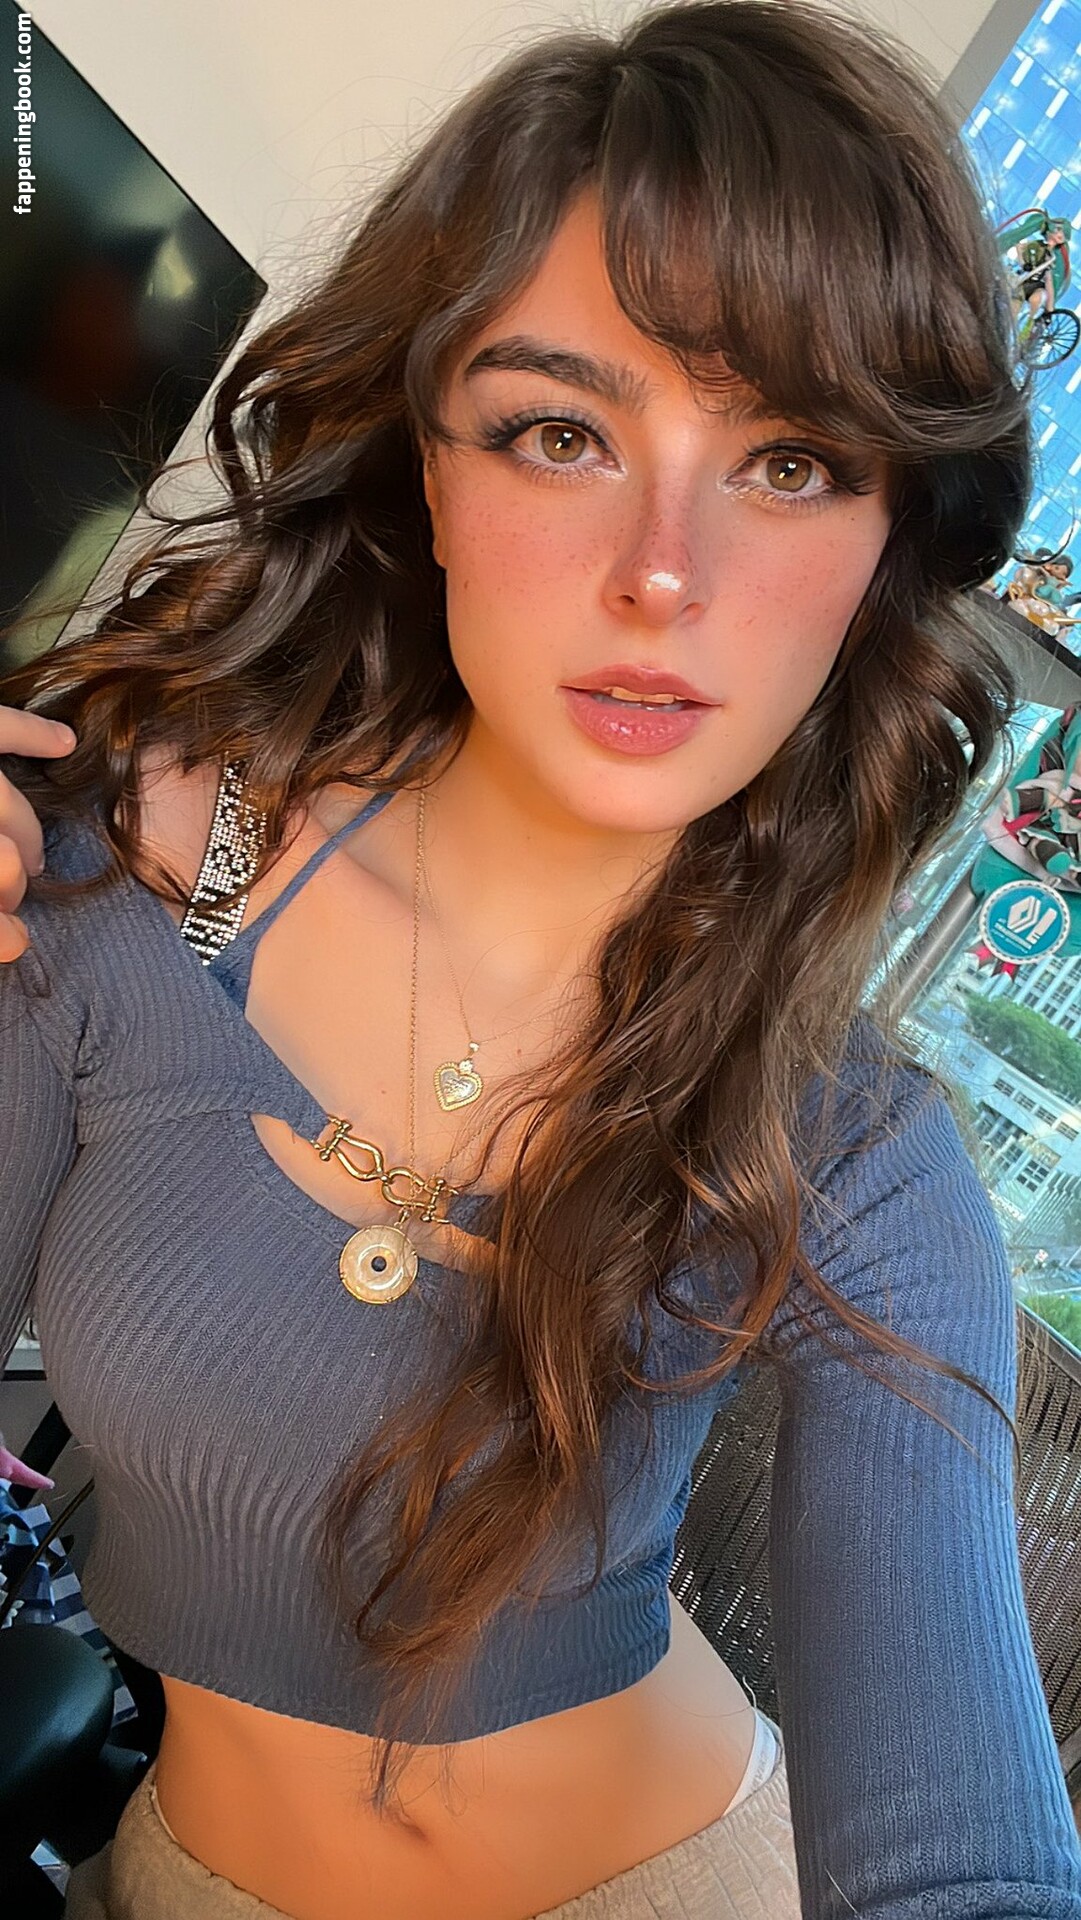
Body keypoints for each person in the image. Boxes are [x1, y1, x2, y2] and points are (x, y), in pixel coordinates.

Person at [0, 3, 1080, 1916]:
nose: (662, 570)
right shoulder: (130, 879)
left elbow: (962, 1858)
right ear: (431, 469)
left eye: (790, 462)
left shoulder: (850, 1153)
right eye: (561, 432)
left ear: (882, 549)